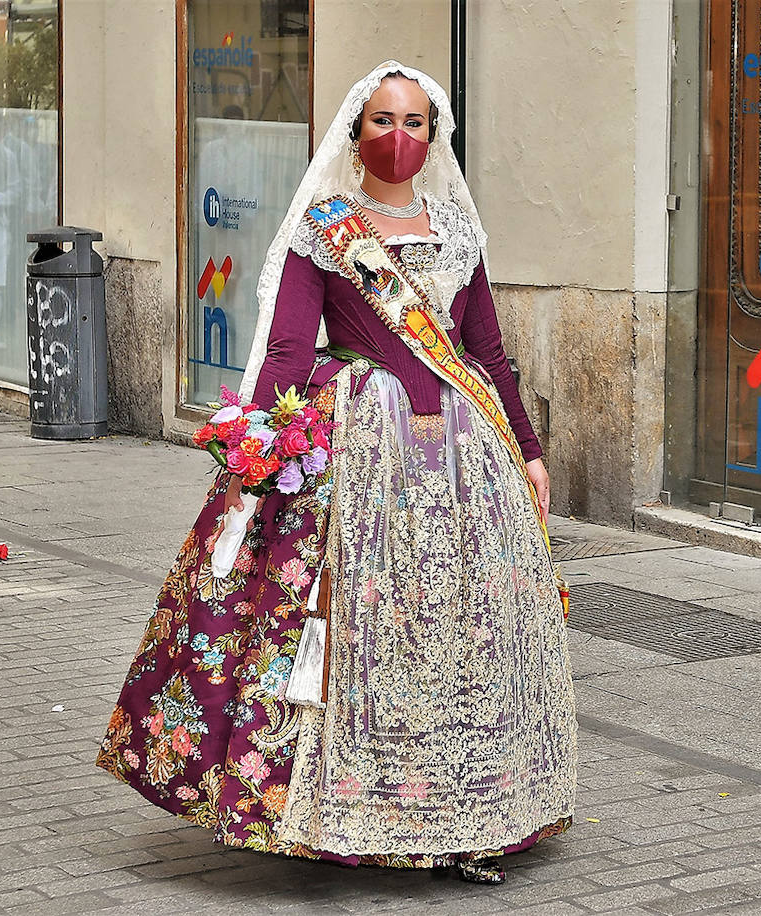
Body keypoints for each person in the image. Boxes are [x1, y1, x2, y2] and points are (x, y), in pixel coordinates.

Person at [95, 60, 578, 885]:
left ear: (435, 137)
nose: (400, 138)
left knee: (461, 636)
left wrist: (528, 451)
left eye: (416, 123)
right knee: (360, 629)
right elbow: (288, 350)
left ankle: (469, 814)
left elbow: (488, 355)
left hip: (466, 467)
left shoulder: (459, 232)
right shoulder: (326, 229)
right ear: (357, 134)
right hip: (359, 459)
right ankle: (343, 808)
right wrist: (263, 450)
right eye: (384, 121)